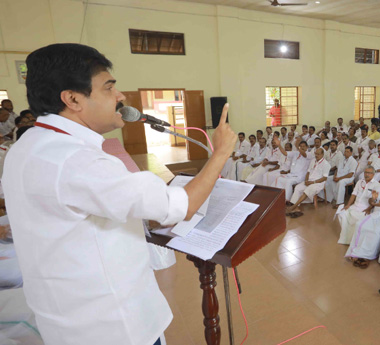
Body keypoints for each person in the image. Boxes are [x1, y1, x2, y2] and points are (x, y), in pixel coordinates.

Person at [2, 43, 237, 345]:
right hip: (113, 327)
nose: (121, 96)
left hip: (67, 321)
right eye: (108, 87)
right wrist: (220, 154)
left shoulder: (28, 145)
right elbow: (184, 205)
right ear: (73, 98)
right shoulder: (78, 161)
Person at [345, 172, 380, 268]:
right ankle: (355, 252)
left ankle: (366, 256)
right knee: (360, 225)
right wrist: (373, 200)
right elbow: (371, 201)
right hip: (376, 213)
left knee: (375, 231)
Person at [337, 167, 380, 245]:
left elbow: (375, 200)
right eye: (365, 172)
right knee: (341, 213)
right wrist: (348, 205)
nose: (366, 174)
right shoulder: (359, 182)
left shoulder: (377, 185)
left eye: (369, 173)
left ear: (373, 174)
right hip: (355, 206)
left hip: (365, 208)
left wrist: (369, 209)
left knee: (358, 221)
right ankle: (345, 238)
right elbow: (353, 194)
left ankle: (353, 240)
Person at [286, 148, 330, 217]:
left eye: (318, 154)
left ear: (322, 154)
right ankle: (296, 208)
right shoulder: (313, 161)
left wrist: (312, 182)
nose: (316, 155)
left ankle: (293, 206)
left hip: (318, 183)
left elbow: (325, 178)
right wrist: (306, 180)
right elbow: (308, 172)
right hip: (309, 181)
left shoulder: (326, 164)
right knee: (298, 187)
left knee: (307, 190)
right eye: (316, 154)